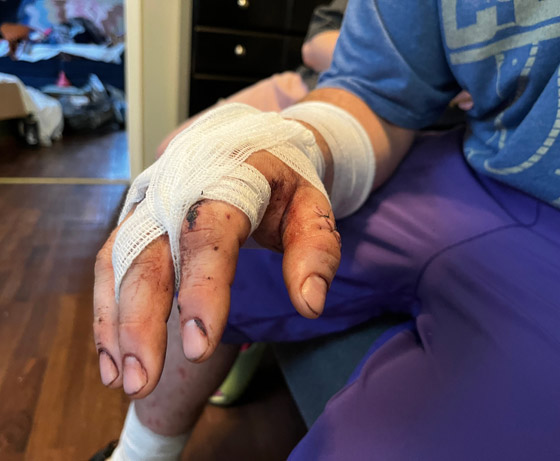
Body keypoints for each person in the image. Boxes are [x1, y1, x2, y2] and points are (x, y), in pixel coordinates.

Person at [93, 1, 560, 461]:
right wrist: (286, 148)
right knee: (194, 243)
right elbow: (377, 94)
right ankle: (137, 455)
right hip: (469, 163)